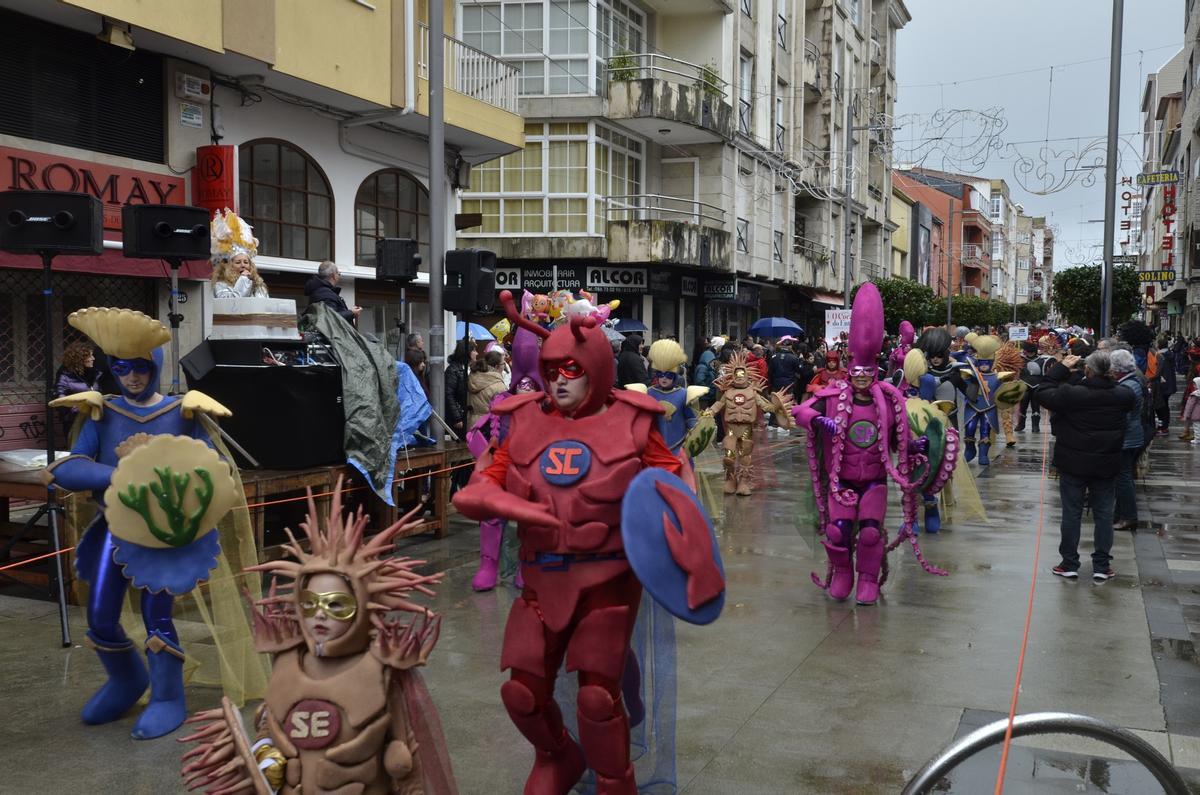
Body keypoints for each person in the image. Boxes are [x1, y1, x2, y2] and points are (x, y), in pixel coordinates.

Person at [453, 291, 725, 794]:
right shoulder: (521, 419)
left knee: (598, 699)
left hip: (608, 577)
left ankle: (614, 780)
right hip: (541, 577)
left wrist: (691, 549)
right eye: (552, 368)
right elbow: (477, 489)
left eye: (572, 368)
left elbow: (672, 484)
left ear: (597, 365)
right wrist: (510, 504)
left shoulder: (634, 418)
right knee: (521, 693)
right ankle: (559, 755)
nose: (558, 379)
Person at [180, 483, 457, 793]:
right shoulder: (287, 659)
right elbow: (268, 726)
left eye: (336, 605)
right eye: (310, 604)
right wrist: (263, 753)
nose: (320, 615)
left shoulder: (381, 670)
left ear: (363, 608)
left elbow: (405, 760)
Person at [44, 307, 241, 739]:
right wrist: (120, 474)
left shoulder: (185, 411)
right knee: (99, 616)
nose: (131, 377)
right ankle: (127, 680)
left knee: (158, 616)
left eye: (140, 367)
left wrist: (166, 479)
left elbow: (215, 468)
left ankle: (169, 696)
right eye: (121, 367)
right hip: (113, 530)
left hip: (166, 536)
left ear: (155, 366)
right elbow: (69, 469)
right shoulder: (102, 412)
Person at [793, 284, 955, 605]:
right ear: (850, 370)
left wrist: (920, 447)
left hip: (875, 481)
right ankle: (841, 574)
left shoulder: (889, 400)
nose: (863, 378)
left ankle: (867, 579)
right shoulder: (831, 396)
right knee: (838, 531)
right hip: (841, 480)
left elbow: (901, 440)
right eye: (857, 373)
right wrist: (817, 420)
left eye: (868, 373)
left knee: (869, 532)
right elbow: (799, 410)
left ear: (875, 372)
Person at [1036, 350, 1133, 581]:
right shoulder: (1124, 395)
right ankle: (1101, 565)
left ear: (1088, 370)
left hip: (1073, 462)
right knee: (1103, 514)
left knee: (1071, 513)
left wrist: (1061, 368)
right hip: (1106, 463)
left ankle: (1069, 562)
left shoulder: (1072, 394)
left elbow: (1042, 392)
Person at [706, 352, 793, 495]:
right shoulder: (727, 393)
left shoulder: (753, 393)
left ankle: (744, 481)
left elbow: (766, 406)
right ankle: (730, 479)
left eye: (742, 374)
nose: (739, 378)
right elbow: (718, 405)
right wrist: (709, 412)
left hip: (747, 428)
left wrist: (778, 407)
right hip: (731, 428)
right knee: (729, 455)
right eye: (737, 374)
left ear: (746, 375)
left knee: (745, 455)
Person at [1110, 349, 1144, 531]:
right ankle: (1121, 514)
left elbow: (1125, 416)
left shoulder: (1127, 386)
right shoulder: (1133, 381)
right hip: (1132, 435)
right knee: (1124, 477)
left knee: (1123, 478)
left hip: (1127, 438)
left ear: (1117, 369)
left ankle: (1128, 516)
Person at [209, 208, 269, 298]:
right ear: (229, 265)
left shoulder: (258, 286)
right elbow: (231, 304)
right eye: (238, 262)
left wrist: (254, 284)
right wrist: (243, 280)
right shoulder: (221, 285)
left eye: (246, 262)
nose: (243, 265)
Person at [54, 340, 100, 433]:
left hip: (94, 418)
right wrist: (74, 408)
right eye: (90, 356)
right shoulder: (66, 375)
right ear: (80, 358)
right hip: (74, 420)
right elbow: (60, 396)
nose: (93, 358)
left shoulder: (94, 373)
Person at [304, 260, 361, 326]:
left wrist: (350, 312)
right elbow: (330, 319)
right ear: (333, 275)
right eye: (338, 274)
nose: (339, 276)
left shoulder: (319, 291)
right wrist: (351, 313)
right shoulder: (326, 294)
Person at [467, 349, 508, 430]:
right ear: (496, 366)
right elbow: (503, 409)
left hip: (472, 423)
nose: (504, 365)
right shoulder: (498, 385)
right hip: (489, 426)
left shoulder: (473, 377)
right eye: (503, 363)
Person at [444, 339, 475, 440]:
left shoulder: (469, 369)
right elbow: (449, 395)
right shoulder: (453, 370)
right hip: (458, 417)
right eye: (474, 350)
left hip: (466, 415)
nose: (476, 353)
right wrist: (456, 418)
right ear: (467, 353)